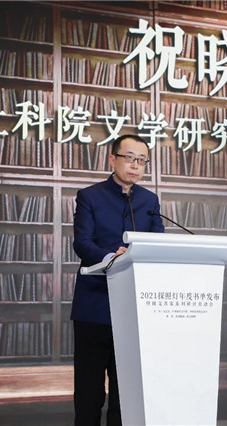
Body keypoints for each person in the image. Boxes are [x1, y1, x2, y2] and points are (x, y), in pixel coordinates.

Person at [71, 134, 164, 426]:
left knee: (126, 390)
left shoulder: (149, 201)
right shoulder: (90, 196)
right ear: (113, 159)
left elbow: (158, 243)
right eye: (130, 158)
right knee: (90, 389)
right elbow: (82, 243)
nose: (135, 166)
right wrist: (112, 257)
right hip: (94, 305)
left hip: (134, 307)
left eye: (142, 161)